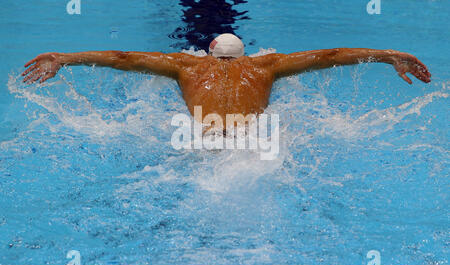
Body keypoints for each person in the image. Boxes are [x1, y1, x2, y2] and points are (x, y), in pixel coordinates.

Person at [22, 33, 431, 125]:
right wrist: (388, 55)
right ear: (247, 55)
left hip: (201, 147)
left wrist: (64, 58)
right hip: (254, 150)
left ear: (208, 53)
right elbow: (330, 56)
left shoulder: (185, 65)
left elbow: (122, 57)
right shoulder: (267, 66)